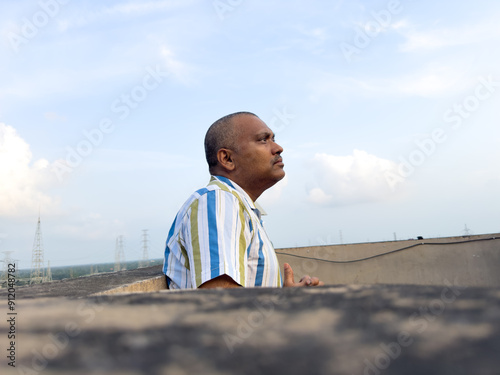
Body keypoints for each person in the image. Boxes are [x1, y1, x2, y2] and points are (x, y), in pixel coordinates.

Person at [162, 111, 324, 289]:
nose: (278, 148)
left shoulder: (239, 206)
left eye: (273, 138)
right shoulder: (218, 201)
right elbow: (222, 302)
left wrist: (285, 297)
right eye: (263, 139)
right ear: (227, 159)